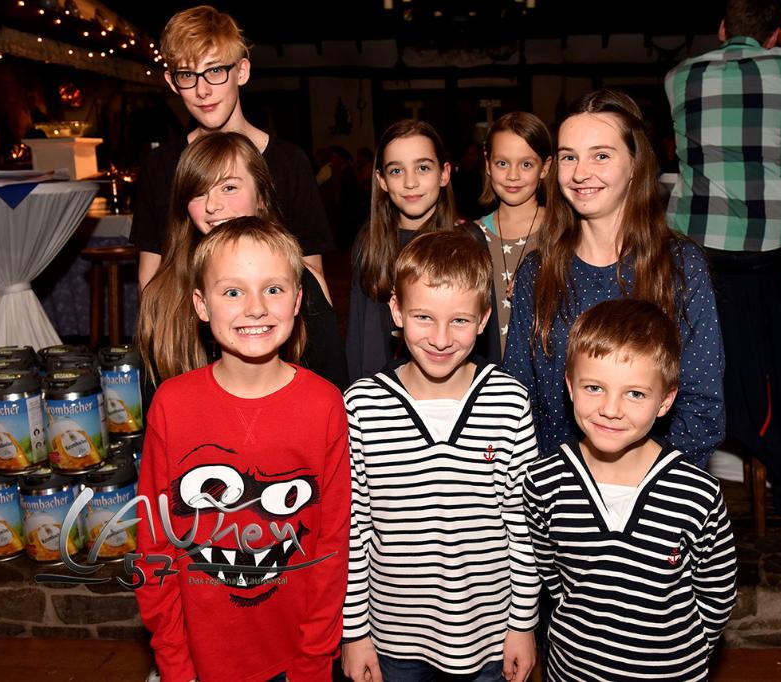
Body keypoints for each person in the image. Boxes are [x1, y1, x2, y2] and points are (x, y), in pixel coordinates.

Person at [135, 218, 350, 682]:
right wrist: (174, 662)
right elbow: (154, 546)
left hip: (296, 661)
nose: (255, 308)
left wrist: (313, 662)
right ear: (201, 305)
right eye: (233, 292)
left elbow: (332, 548)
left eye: (273, 289)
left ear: (298, 300)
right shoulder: (172, 405)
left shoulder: (325, 405)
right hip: (197, 660)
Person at [342, 231, 540, 682]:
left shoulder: (509, 401)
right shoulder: (362, 405)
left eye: (459, 321)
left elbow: (522, 527)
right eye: (423, 317)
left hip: (491, 639)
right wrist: (354, 633)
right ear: (396, 310)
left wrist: (523, 626)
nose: (440, 338)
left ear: (484, 318)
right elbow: (355, 529)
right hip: (393, 640)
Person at [503, 90, 724, 467]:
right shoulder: (538, 272)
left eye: (601, 156)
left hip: (654, 484)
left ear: (635, 163)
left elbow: (702, 408)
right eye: (569, 157)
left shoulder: (680, 267)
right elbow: (518, 400)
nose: (580, 173)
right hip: (558, 482)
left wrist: (636, 482)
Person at [524, 299, 737, 681]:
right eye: (594, 387)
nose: (611, 409)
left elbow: (716, 593)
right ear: (570, 386)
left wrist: (685, 655)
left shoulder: (697, 494)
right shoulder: (544, 482)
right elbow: (553, 576)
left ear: (665, 401)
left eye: (635, 394)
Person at [665, 0, 781, 512]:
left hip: (695, 247)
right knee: (774, 341)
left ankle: (691, 447)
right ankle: (778, 461)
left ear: (722, 28)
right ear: (773, 36)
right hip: (763, 249)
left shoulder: (680, 76)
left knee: (697, 339)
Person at [130, 5, 335, 300]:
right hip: (186, 322)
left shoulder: (289, 162)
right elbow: (150, 277)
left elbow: (311, 274)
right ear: (172, 82)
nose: (202, 90)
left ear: (242, 71)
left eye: (215, 71)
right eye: (187, 75)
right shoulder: (161, 165)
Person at [135, 131, 348, 391]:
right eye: (198, 192)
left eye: (229, 188)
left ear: (261, 198)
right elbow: (157, 403)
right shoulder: (164, 293)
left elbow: (332, 389)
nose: (212, 205)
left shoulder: (302, 281)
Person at [346, 119, 499, 382]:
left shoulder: (468, 239)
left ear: (444, 173)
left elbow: (487, 333)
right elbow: (358, 334)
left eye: (423, 168)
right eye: (396, 171)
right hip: (384, 391)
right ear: (382, 180)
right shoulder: (370, 241)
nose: (410, 182)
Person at [475, 112, 554, 357]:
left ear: (545, 167)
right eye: (502, 163)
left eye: (526, 164)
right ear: (488, 164)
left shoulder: (562, 231)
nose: (512, 175)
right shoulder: (472, 236)